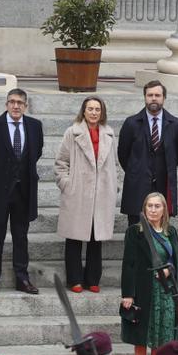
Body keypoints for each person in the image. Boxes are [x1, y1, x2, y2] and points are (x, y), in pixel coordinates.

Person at [0, 88, 43, 295]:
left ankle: (22, 278)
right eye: (12, 102)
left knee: (21, 236)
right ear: (6, 104)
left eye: (20, 103)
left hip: (24, 190)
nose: (16, 106)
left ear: (26, 106)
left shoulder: (34, 126)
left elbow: (37, 152)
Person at [121, 192, 178, 355]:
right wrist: (128, 294)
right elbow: (128, 264)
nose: (153, 210)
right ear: (144, 208)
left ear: (164, 209)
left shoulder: (170, 232)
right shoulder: (135, 232)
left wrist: (169, 271)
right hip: (143, 290)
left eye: (158, 206)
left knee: (160, 339)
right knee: (141, 338)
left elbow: (177, 262)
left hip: (165, 292)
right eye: (150, 206)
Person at [54, 96, 117, 293]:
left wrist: (113, 186)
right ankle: (75, 279)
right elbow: (61, 162)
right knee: (74, 237)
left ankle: (93, 278)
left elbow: (114, 163)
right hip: (78, 191)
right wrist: (67, 184)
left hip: (101, 192)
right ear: (83, 111)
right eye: (90, 109)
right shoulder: (72, 133)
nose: (93, 112)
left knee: (95, 237)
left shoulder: (109, 133)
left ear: (102, 112)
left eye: (97, 109)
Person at [117, 80, 178, 227]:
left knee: (160, 228)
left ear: (164, 98)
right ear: (145, 97)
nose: (154, 98)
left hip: (163, 184)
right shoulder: (131, 123)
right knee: (136, 229)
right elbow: (123, 154)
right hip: (137, 184)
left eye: (157, 95)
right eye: (150, 95)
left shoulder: (175, 124)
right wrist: (136, 170)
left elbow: (177, 154)